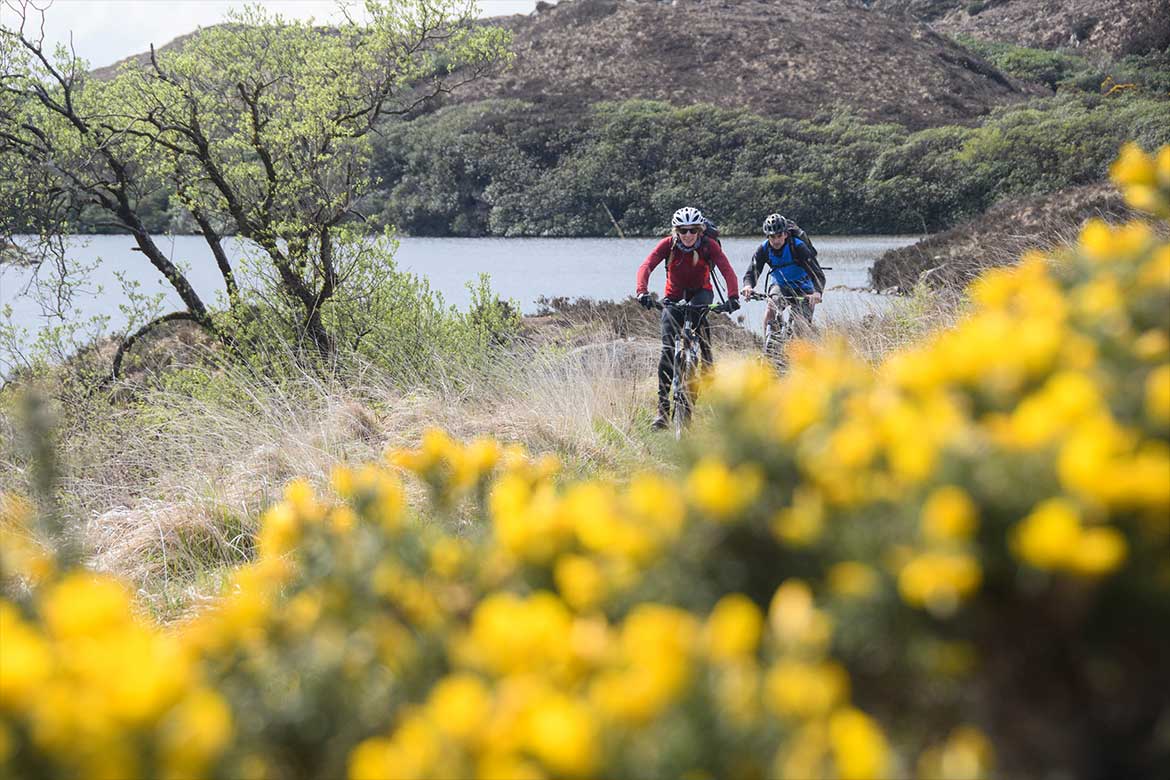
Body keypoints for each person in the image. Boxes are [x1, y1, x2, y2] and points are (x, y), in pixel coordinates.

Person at [636, 206, 740, 430]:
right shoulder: (668, 244)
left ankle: (707, 363)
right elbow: (647, 265)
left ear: (700, 230)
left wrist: (733, 296)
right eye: (683, 230)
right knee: (666, 353)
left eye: (693, 230)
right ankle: (662, 413)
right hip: (673, 295)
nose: (688, 235)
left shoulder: (707, 245)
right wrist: (642, 291)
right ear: (676, 231)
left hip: (701, 292)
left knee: (699, 321)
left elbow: (726, 269)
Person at [741, 213, 825, 334]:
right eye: (772, 237)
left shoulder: (798, 247)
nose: (776, 240)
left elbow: (817, 273)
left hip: (804, 288)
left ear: (785, 234)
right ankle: (767, 347)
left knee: (800, 325)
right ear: (767, 237)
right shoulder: (764, 249)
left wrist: (817, 292)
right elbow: (752, 271)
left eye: (779, 235)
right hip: (780, 286)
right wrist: (748, 286)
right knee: (771, 309)